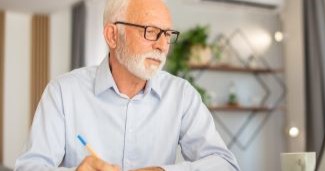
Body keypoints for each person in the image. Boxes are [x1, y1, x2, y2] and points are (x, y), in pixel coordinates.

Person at [15, 0, 240, 170]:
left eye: (167, 34)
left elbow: (225, 165)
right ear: (113, 35)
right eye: (150, 32)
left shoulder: (182, 96)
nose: (162, 46)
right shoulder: (63, 93)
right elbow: (30, 167)